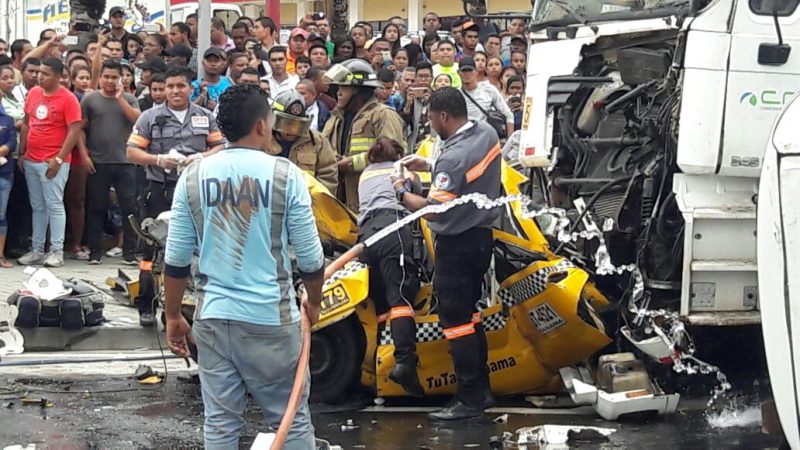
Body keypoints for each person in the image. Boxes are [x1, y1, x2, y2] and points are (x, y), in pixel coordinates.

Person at [163, 83, 323, 449]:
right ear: (262, 126)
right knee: (290, 420)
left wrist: (173, 315)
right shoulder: (285, 175)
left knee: (219, 423)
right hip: (271, 319)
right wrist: (313, 302)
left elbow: (176, 259)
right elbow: (312, 258)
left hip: (214, 319)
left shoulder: (194, 175)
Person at [395, 87, 501, 421]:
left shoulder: (453, 158)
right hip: (481, 238)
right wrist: (429, 163)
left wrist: (401, 191)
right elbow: (464, 177)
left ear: (443, 116)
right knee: (470, 316)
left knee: (455, 322)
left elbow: (433, 212)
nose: (428, 124)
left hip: (456, 245)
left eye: (430, 118)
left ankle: (469, 398)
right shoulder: (485, 132)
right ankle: (482, 391)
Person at [126, 66, 226, 326]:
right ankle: (146, 305)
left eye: (180, 86)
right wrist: (158, 159)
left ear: (190, 88)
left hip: (196, 192)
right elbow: (132, 152)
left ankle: (192, 306)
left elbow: (221, 146)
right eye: (170, 87)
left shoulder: (205, 117)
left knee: (197, 248)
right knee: (152, 250)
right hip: (160, 190)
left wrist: (199, 157)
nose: (175, 91)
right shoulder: (149, 118)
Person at [357, 137, 423, 396]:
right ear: (398, 154)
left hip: (366, 238)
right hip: (393, 231)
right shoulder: (402, 171)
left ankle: (378, 366)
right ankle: (405, 363)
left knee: (381, 304)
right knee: (401, 301)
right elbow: (417, 199)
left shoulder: (365, 174)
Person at [17, 58, 83, 268]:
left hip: (53, 160)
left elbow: (74, 130)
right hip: (32, 159)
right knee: (38, 206)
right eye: (38, 73)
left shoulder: (68, 98)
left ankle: (57, 250)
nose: (39, 77)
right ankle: (37, 249)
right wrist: (22, 152)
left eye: (44, 74)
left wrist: (59, 158)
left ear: (57, 76)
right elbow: (27, 124)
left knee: (54, 205)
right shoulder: (34, 93)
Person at [322, 59, 405, 212]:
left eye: (344, 88)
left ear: (358, 91)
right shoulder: (336, 118)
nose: (338, 93)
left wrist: (350, 164)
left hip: (372, 203)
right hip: (342, 201)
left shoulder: (382, 115)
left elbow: (393, 156)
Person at [82, 59, 141, 265]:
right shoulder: (90, 100)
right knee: (96, 207)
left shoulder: (130, 99)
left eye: (114, 77)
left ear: (121, 79)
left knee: (129, 207)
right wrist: (84, 154)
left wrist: (120, 98)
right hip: (98, 161)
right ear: (100, 78)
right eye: (106, 76)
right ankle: (95, 252)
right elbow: (81, 128)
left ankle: (130, 252)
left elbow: (136, 120)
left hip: (125, 162)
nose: (109, 81)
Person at [267, 90, 338, 194]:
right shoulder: (262, 140)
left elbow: (328, 177)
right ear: (274, 119)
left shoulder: (317, 141)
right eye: (287, 123)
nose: (292, 130)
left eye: (298, 125)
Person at [459, 57, 514, 138]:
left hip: (487, 137)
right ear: (458, 73)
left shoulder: (488, 89)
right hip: (466, 138)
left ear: (476, 72)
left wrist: (509, 141)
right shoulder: (456, 94)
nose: (467, 74)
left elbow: (508, 114)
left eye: (470, 70)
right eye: (464, 71)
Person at [0, 99, 17, 268]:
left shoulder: (7, 120)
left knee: (1, 215)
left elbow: (12, 143)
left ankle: (0, 255)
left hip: (3, 172)